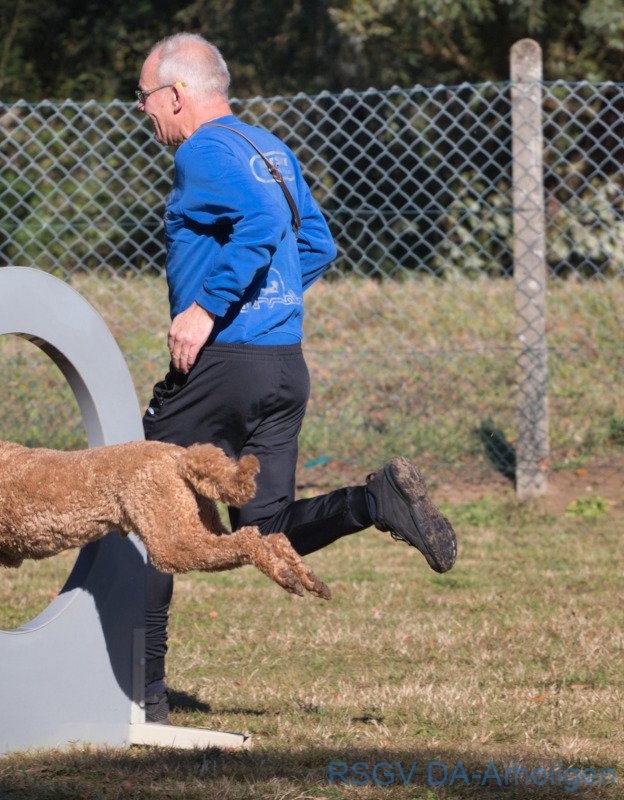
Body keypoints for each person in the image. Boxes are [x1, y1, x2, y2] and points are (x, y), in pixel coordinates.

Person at [134, 32, 458, 724]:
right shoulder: (269, 148)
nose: (142, 110)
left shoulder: (201, 152)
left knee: (145, 509)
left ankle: (142, 696)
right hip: (283, 365)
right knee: (266, 525)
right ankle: (373, 503)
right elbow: (316, 242)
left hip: (220, 368)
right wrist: (268, 302)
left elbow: (256, 223)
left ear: (178, 94)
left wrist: (208, 309)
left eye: (145, 96)